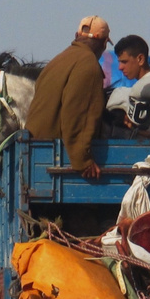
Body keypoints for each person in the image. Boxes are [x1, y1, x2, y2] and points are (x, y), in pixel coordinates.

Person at [25, 16, 111, 178]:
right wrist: (83, 161)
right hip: (54, 158)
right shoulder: (89, 64)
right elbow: (78, 116)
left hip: (36, 152)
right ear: (104, 43)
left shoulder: (58, 60)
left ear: (76, 35)